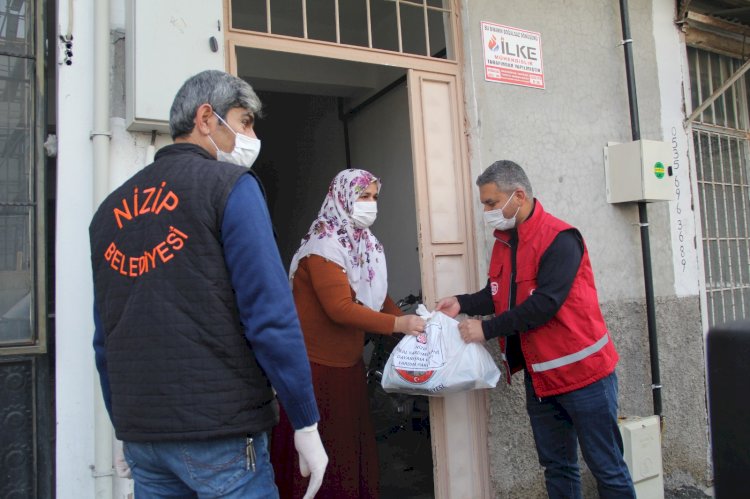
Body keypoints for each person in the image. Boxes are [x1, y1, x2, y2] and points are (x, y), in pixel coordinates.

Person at [90, 70, 327, 499]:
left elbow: (106, 338)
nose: (251, 136)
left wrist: (123, 423)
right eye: (244, 121)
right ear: (206, 118)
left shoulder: (108, 212)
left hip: (144, 435)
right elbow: (269, 316)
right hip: (221, 434)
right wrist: (305, 419)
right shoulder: (230, 187)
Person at [435, 160, 636, 499]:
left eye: (491, 203)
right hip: (542, 378)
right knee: (558, 468)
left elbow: (544, 305)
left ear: (519, 195)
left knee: (607, 468)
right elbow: (497, 294)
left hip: (585, 376)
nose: (486, 211)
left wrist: (486, 331)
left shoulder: (560, 238)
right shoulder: (505, 243)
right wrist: (461, 301)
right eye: (484, 203)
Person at [270, 168, 426, 498]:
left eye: (374, 197)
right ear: (342, 198)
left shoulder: (364, 245)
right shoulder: (323, 245)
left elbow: (376, 295)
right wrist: (397, 325)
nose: (370, 204)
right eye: (363, 196)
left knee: (345, 451)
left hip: (347, 366)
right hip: (314, 370)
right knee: (318, 455)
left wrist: (413, 329)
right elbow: (339, 308)